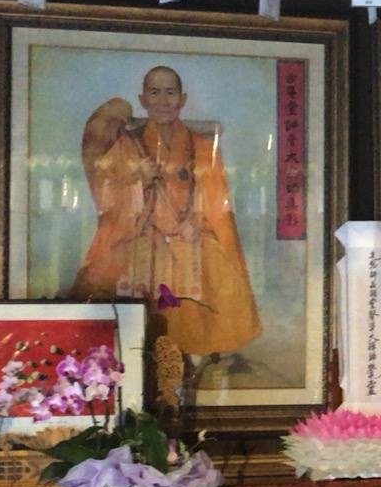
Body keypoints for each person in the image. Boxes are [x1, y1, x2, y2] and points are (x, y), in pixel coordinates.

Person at [70, 65, 261, 358]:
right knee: (108, 277)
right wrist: (137, 178)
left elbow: (217, 202)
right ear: (143, 99)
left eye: (170, 93)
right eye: (154, 92)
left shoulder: (202, 147)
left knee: (220, 272)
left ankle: (192, 356)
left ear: (182, 99)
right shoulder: (126, 145)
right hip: (139, 232)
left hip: (189, 232)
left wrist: (197, 224)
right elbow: (107, 197)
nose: (163, 100)